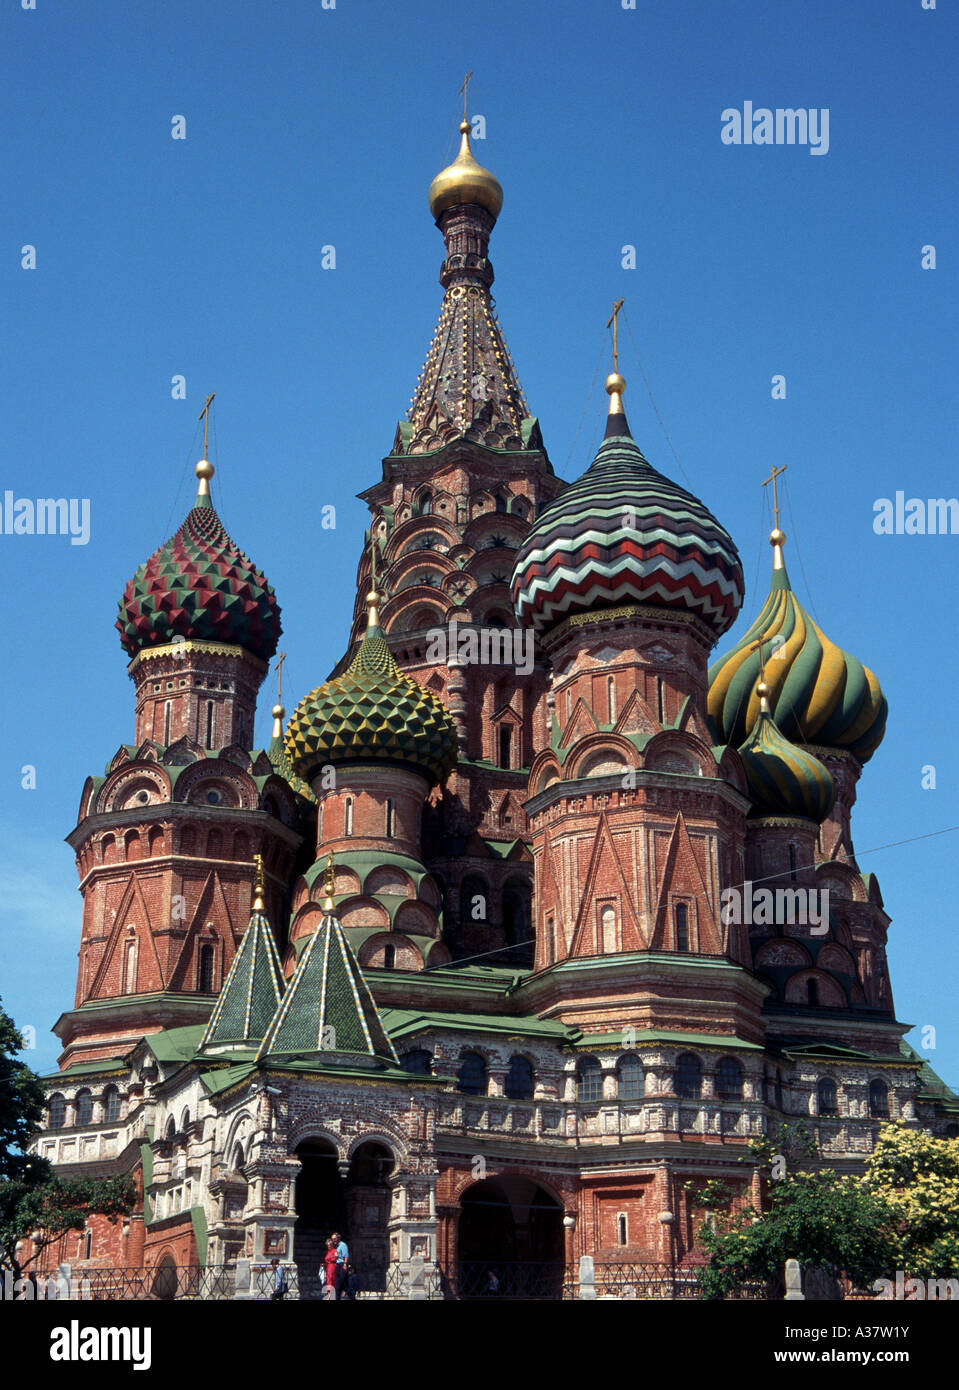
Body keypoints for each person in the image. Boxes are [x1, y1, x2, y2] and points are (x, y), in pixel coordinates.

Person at [331, 1231, 349, 1298]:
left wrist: (345, 1264)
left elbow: (346, 1255)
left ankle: (350, 1295)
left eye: (334, 1239)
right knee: (339, 1284)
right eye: (332, 1239)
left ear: (338, 1238)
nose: (333, 1240)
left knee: (340, 1283)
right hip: (337, 1265)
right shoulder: (335, 1246)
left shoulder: (343, 1245)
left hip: (342, 1264)